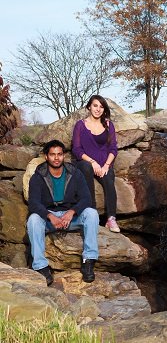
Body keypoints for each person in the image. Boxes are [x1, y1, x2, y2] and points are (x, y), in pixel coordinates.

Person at [27, 140, 99, 286]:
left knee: (91, 213)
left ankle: (89, 261)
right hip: (49, 219)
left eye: (59, 154)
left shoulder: (75, 173)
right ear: (46, 157)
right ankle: (41, 267)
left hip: (70, 218)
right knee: (33, 219)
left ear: (64, 156)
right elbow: (34, 203)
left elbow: (86, 198)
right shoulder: (38, 176)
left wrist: (72, 212)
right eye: (52, 155)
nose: (56, 158)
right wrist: (50, 216)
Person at [72, 95, 120, 233]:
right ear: (89, 107)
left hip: (103, 164)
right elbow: (76, 149)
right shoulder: (80, 125)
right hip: (85, 162)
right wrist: (93, 162)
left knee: (109, 177)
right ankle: (91, 214)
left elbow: (113, 149)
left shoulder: (108, 125)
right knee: (86, 168)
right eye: (95, 105)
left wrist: (106, 165)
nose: (98, 109)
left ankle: (111, 218)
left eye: (101, 106)